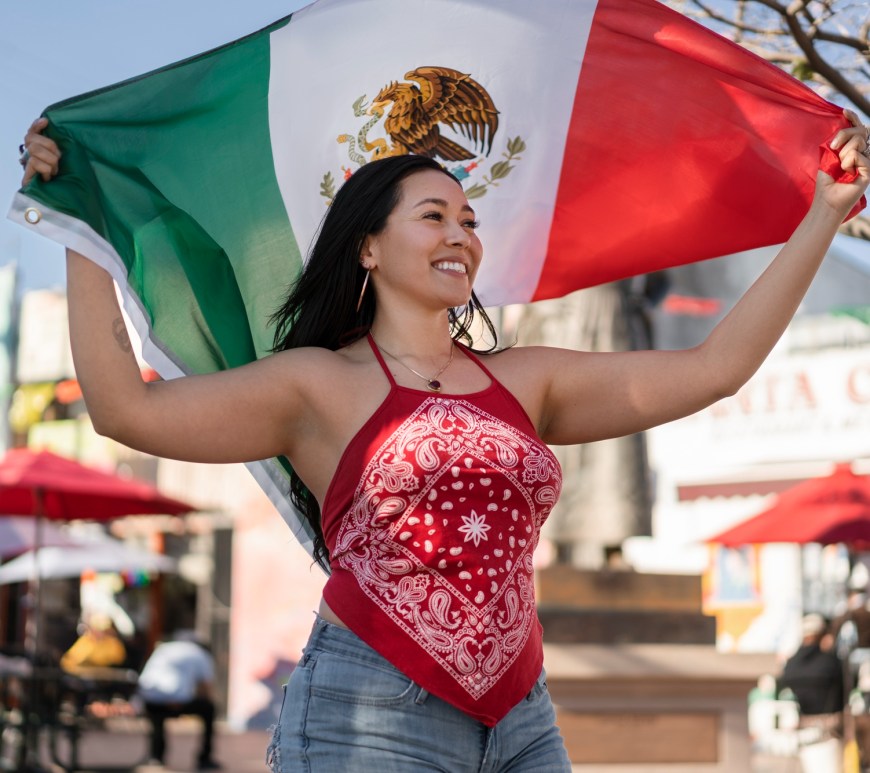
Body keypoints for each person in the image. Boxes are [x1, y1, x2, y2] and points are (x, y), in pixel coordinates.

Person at [19, 113, 870, 772]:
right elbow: (125, 410)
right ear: (369, 246)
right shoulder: (315, 384)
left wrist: (827, 213)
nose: (461, 235)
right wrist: (78, 227)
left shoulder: (527, 380)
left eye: (469, 218)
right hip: (369, 707)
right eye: (434, 216)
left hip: (522, 713)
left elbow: (715, 366)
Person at [136, 632, 220, 770]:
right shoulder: (200, 653)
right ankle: (205, 758)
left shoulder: (164, 648)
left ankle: (156, 756)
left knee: (157, 722)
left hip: (150, 698)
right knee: (209, 708)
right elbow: (206, 687)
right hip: (177, 699)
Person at [777, 614, 846, 771]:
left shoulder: (791, 665)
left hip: (800, 732)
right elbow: (845, 689)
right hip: (830, 732)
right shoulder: (831, 662)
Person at [60, 612, 126, 674]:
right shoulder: (86, 641)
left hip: (109, 679)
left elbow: (120, 659)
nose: (102, 633)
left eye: (104, 630)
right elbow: (68, 661)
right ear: (93, 629)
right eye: (99, 630)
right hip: (87, 679)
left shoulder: (113, 643)